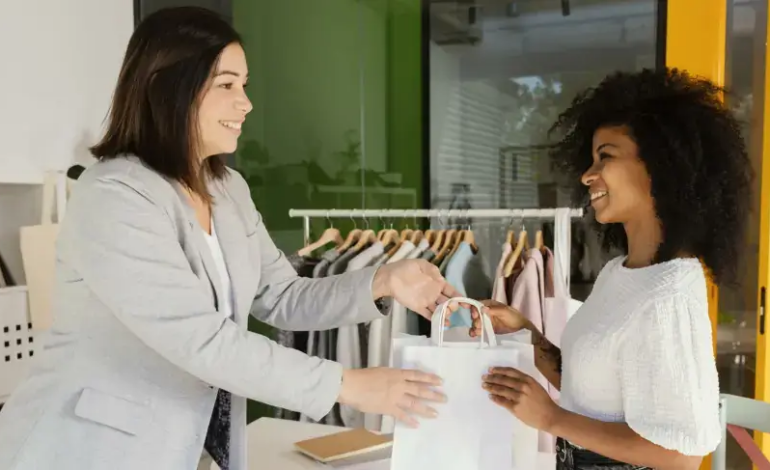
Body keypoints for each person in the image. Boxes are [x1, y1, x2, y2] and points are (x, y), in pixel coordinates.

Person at [0, 7, 457, 470]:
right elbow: (201, 339)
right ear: (168, 87)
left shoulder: (227, 190)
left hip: (188, 447)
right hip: (86, 450)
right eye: (226, 85)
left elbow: (282, 295)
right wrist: (348, 384)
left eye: (244, 85)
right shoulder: (113, 197)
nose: (246, 102)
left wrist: (382, 280)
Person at [476, 68, 752, 469]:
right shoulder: (620, 273)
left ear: (662, 165)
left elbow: (682, 455)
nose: (587, 175)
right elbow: (593, 388)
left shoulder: (668, 298)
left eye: (605, 156)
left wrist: (551, 418)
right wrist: (526, 333)